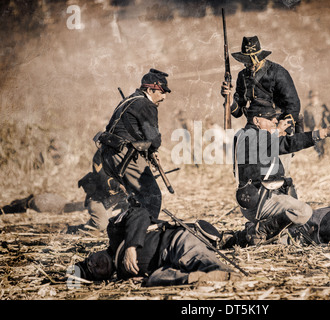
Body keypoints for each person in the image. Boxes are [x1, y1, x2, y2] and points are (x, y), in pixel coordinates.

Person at [230, 105, 330, 246]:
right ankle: (260, 230)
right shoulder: (252, 136)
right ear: (256, 120)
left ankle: (250, 234)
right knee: (303, 212)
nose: (274, 121)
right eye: (269, 118)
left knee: (284, 240)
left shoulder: (250, 135)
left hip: (257, 199)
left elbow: (285, 144)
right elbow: (276, 144)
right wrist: (277, 131)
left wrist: (322, 132)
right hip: (259, 202)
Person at [74, 206, 240, 286]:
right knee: (154, 280)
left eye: (90, 260)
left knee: (193, 255)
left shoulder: (115, 232)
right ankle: (199, 279)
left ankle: (224, 274)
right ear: (101, 278)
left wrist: (131, 247)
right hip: (166, 265)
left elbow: (139, 212)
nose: (95, 263)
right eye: (93, 269)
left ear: (93, 252)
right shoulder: (123, 275)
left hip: (174, 242)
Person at [221, 35, 302, 197]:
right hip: (254, 135)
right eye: (247, 61)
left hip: (278, 131)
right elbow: (237, 111)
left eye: (253, 60)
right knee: (255, 178)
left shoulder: (278, 73)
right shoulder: (243, 77)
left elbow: (293, 106)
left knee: (278, 177)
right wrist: (228, 98)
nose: (250, 65)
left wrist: (280, 130)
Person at [96, 68, 170, 220]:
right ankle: (143, 237)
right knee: (152, 196)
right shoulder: (146, 105)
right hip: (124, 156)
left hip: (109, 154)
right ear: (150, 89)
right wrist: (153, 149)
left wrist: (148, 151)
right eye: (162, 92)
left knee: (136, 200)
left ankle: (125, 235)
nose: (163, 98)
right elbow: (154, 140)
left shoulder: (129, 100)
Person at [71, 149, 128, 233]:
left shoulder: (135, 149)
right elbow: (102, 177)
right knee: (102, 226)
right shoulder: (102, 152)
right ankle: (76, 229)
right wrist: (120, 186)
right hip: (100, 199)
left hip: (121, 198)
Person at [303, 90, 330, 158]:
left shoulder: (322, 106)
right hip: (313, 129)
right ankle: (321, 155)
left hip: (322, 127)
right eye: (311, 97)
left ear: (317, 97)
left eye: (314, 97)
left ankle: (323, 155)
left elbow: (329, 116)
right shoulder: (307, 108)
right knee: (315, 144)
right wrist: (308, 126)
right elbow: (305, 120)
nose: (313, 98)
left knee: (322, 142)